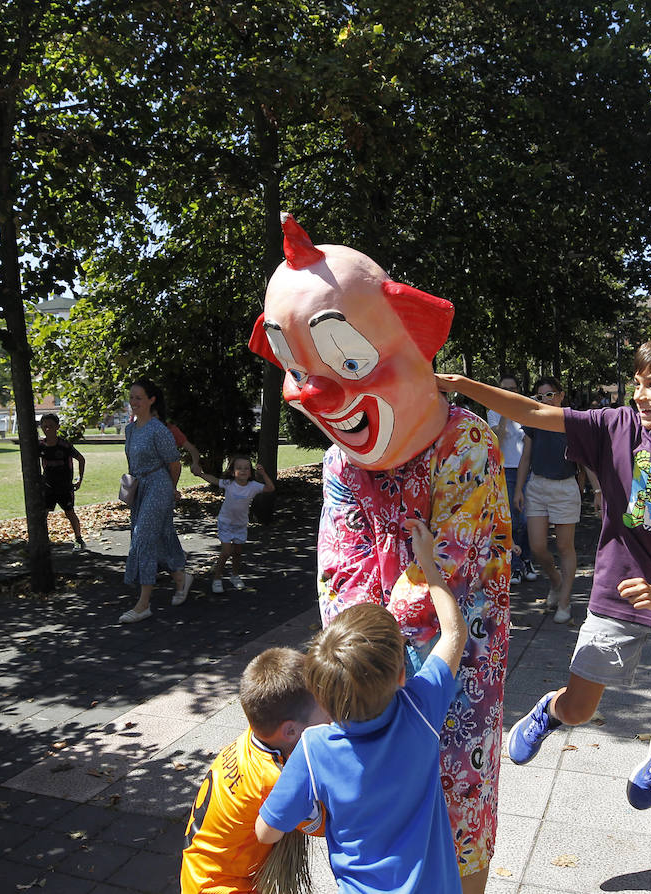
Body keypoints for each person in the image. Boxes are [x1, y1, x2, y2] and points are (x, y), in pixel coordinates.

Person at [249, 215, 509, 893]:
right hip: (374, 682)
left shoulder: (466, 444)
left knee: (460, 811)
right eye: (298, 368)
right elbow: (338, 577)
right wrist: (363, 657)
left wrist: (369, 641)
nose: (313, 392)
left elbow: (441, 580)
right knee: (381, 825)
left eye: (346, 360)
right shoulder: (343, 461)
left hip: (444, 683)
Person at [441, 328, 651, 813]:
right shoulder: (616, 425)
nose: (640, 395)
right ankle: (548, 712)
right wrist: (460, 382)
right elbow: (535, 412)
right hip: (617, 596)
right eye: (638, 383)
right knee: (579, 709)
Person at [257, 520, 467, 894]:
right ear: (402, 674)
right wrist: (428, 564)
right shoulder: (420, 707)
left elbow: (266, 830)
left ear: (320, 696)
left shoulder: (313, 750)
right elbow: (454, 632)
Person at [180, 647, 327, 893]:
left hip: (199, 874)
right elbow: (322, 826)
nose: (330, 715)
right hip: (224, 887)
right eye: (323, 710)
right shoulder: (275, 779)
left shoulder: (252, 738)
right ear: (290, 731)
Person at [119, 378, 192, 623]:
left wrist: (171, 490)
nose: (133, 402)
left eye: (138, 397)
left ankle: (143, 604)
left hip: (159, 486)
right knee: (159, 535)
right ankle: (181, 578)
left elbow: (174, 463)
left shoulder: (158, 429)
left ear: (151, 400)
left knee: (143, 538)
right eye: (131, 397)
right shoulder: (130, 429)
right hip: (140, 487)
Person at [515, 376, 587, 624]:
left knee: (566, 546)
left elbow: (586, 461)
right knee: (537, 547)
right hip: (537, 486)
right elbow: (526, 456)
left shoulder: (573, 422)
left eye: (550, 395)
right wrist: (518, 490)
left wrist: (597, 492)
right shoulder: (533, 421)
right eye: (540, 396)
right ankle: (556, 581)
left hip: (565, 488)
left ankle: (565, 601)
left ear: (561, 395)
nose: (545, 400)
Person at [191, 455, 275, 594]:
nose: (243, 471)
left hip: (240, 525)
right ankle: (217, 578)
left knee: (237, 552)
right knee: (226, 552)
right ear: (232, 471)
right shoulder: (229, 484)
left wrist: (263, 473)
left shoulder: (253, 486)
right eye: (239, 468)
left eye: (246, 468)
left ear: (251, 472)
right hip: (225, 523)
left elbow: (270, 488)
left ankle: (234, 575)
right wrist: (200, 474)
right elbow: (214, 480)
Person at [488, 375, 531, 585]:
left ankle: (525, 560)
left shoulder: (526, 410)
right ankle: (514, 565)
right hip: (505, 470)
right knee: (511, 520)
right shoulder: (493, 412)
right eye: (505, 389)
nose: (510, 392)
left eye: (513, 389)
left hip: (526, 470)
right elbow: (498, 439)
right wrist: (505, 412)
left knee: (527, 519)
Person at [37, 413, 86, 551]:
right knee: (43, 514)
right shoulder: (40, 446)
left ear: (57, 427)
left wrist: (79, 479)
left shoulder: (65, 445)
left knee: (70, 513)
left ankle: (78, 539)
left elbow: (81, 459)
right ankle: (43, 541)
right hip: (48, 487)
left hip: (65, 487)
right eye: (44, 426)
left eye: (50, 426)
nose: (47, 429)